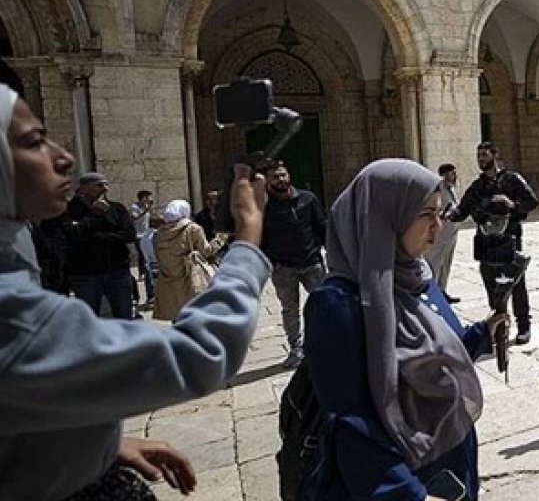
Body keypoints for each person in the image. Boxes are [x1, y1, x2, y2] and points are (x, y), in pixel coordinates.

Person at [0, 82, 275, 499]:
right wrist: (248, 238)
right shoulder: (13, 321)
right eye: (34, 142)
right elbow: (198, 355)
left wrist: (98, 446)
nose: (64, 157)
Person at [301, 160, 504, 500]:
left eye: (441, 214)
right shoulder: (337, 304)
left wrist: (481, 333)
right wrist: (408, 495)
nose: (437, 227)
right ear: (382, 216)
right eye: (425, 214)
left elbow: (433, 351)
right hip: (408, 479)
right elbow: (351, 424)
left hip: (450, 461)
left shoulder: (417, 276)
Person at [449, 142, 539, 345]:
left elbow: (532, 201)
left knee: (515, 284)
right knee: (493, 288)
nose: (481, 159)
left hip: (509, 240)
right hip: (486, 243)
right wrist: (446, 214)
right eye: (478, 155)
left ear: (495, 156)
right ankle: (500, 328)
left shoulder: (512, 180)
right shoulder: (478, 186)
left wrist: (511, 205)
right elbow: (462, 210)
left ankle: (524, 326)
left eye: (484, 155)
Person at [262, 162, 328, 368]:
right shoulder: (264, 206)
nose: (280, 179)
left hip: (312, 263)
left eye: (282, 175)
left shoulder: (308, 199)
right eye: (275, 177)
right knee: (290, 309)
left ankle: (322, 344)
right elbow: (261, 238)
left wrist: (331, 253)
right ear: (268, 181)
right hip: (284, 268)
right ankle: (295, 349)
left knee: (322, 305)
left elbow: (321, 226)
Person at [64, 172, 139, 319]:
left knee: (124, 317)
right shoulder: (70, 210)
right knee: (89, 318)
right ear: (84, 188)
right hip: (86, 274)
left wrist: (96, 237)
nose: (105, 189)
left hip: (117, 271)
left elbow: (128, 234)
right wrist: (95, 214)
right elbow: (74, 234)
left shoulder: (116, 209)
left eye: (106, 184)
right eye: (99, 185)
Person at [151, 199, 226, 321]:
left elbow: (158, 257)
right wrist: (220, 238)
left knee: (177, 315)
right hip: (190, 277)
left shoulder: (159, 234)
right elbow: (207, 251)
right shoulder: (192, 229)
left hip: (169, 280)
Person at [425, 163, 462, 304]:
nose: (455, 176)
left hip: (451, 233)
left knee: (446, 264)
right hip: (440, 234)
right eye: (452, 173)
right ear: (445, 175)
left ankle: (442, 292)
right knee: (434, 263)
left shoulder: (452, 188)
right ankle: (431, 293)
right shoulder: (438, 189)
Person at [129, 190, 157, 309]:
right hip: (138, 236)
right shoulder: (134, 207)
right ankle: (150, 294)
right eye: (148, 198)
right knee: (145, 263)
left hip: (147, 236)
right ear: (143, 198)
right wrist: (145, 210)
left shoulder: (147, 208)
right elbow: (134, 219)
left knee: (150, 263)